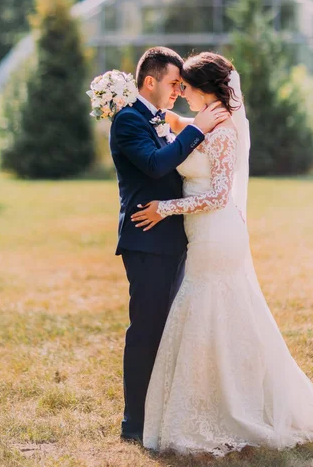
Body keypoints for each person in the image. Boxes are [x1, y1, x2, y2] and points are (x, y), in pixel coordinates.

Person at [131, 52, 313, 456]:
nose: (181, 94)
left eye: (187, 88)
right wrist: (153, 117)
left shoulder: (225, 129)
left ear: (206, 90)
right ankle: (216, 400)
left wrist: (165, 209)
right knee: (215, 316)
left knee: (209, 313)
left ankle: (232, 406)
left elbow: (217, 195)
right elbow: (180, 129)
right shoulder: (204, 120)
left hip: (217, 234)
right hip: (203, 234)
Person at [109, 47, 229, 443]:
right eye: (174, 83)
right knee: (146, 330)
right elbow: (156, 165)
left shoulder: (160, 118)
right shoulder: (128, 120)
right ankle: (134, 422)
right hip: (146, 241)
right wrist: (198, 129)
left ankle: (160, 412)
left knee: (168, 330)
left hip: (176, 238)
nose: (179, 90)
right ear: (150, 82)